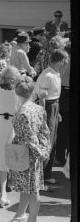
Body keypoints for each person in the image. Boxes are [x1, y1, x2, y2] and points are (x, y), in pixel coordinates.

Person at [6, 77, 51, 222]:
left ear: (16, 94)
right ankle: (20, 216)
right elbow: (45, 132)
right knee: (28, 188)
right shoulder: (39, 108)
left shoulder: (21, 114)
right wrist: (44, 151)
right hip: (35, 154)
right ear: (32, 92)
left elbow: (29, 139)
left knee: (33, 190)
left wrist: (39, 153)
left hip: (27, 155)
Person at [0, 66, 21, 207]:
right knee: (13, 154)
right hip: (15, 122)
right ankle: (9, 186)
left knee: (2, 157)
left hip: (1, 122)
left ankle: (3, 192)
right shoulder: (19, 90)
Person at [35, 48, 68, 186]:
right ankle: (41, 176)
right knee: (47, 141)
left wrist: (57, 112)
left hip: (54, 106)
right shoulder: (48, 75)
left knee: (52, 140)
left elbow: (53, 97)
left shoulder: (55, 73)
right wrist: (44, 116)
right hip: (48, 107)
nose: (66, 63)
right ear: (60, 61)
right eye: (65, 61)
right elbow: (42, 98)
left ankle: (46, 174)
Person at [55, 42, 70, 167]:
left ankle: (60, 157)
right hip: (65, 93)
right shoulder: (65, 62)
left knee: (62, 129)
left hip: (62, 93)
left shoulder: (63, 62)